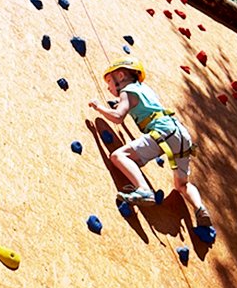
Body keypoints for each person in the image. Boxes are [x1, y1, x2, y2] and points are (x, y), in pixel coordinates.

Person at [86, 56, 211, 231]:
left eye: (109, 81)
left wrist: (99, 107)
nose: (108, 87)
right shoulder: (144, 89)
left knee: (118, 156)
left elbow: (118, 117)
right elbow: (143, 108)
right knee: (182, 184)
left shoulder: (126, 91)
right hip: (181, 134)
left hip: (163, 133)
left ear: (120, 76)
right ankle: (200, 209)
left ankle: (143, 190)